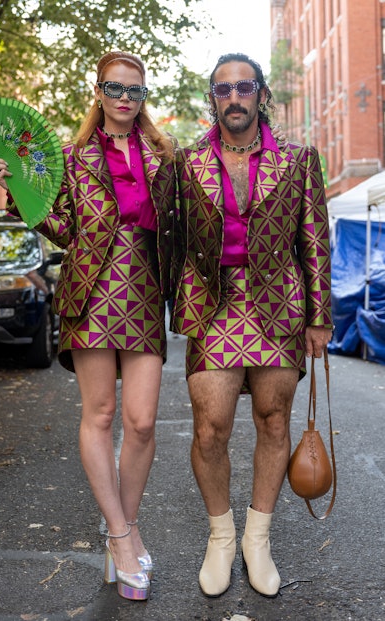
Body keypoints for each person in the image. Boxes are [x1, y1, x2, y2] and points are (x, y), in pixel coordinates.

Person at [0, 50, 177, 601]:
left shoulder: (165, 158)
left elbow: (181, 229)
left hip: (143, 294)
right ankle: (120, 540)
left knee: (141, 422)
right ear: (98, 92)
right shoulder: (68, 158)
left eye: (134, 90)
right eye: (114, 88)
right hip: (90, 294)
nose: (124, 98)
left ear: (144, 99)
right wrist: (17, 187)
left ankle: (128, 524)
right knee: (101, 413)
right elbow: (62, 229)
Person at [172, 53, 333, 598]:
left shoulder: (298, 159)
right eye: (223, 90)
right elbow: (166, 238)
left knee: (272, 419)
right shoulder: (185, 161)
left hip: (278, 303)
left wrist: (319, 316)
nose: (234, 98)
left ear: (261, 94)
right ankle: (221, 536)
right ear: (211, 99)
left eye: (245, 87)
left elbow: (314, 241)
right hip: (211, 303)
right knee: (209, 428)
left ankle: (256, 538)